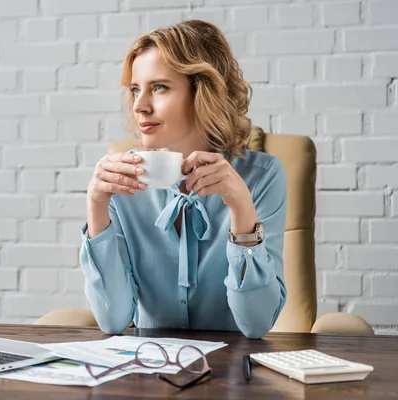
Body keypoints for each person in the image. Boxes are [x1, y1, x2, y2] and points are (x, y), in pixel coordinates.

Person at [80, 20, 287, 339]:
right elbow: (114, 320)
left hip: (233, 380)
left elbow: (256, 325)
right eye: (136, 89)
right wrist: (96, 208)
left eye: (159, 87)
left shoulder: (262, 177)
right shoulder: (122, 182)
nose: (139, 106)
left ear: (203, 92)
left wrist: (241, 209)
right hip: (146, 377)